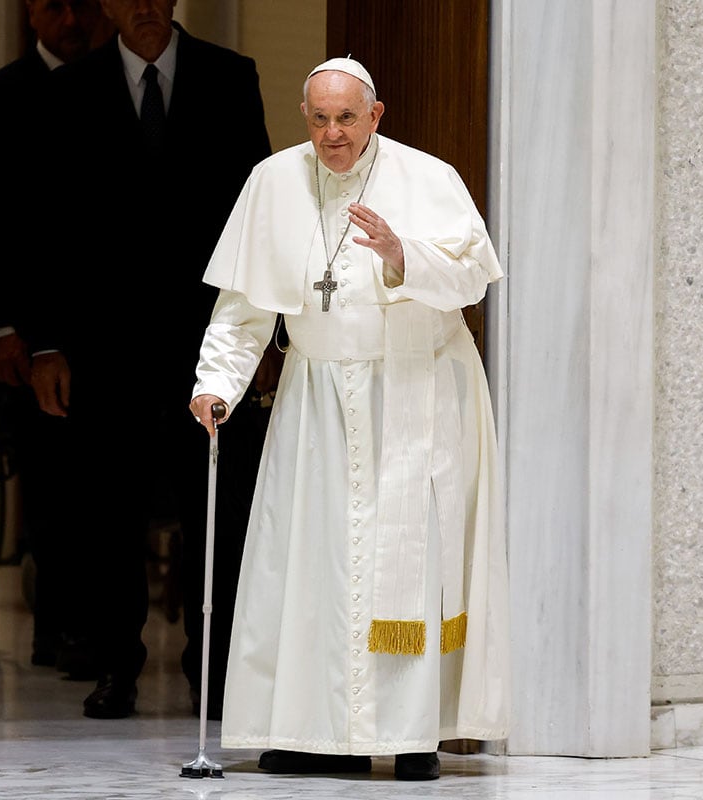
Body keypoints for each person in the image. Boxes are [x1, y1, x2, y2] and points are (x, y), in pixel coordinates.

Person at [188, 57, 510, 782]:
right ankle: (306, 733)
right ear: (306, 117)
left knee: (411, 564)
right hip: (317, 402)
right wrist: (217, 386)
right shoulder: (273, 182)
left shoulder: (430, 179)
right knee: (314, 566)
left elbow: (474, 276)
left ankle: (412, 733)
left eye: (347, 118)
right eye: (319, 119)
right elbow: (243, 307)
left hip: (416, 393)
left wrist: (402, 255)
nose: (333, 134)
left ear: (376, 115)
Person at [25, 0, 273, 720]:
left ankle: (215, 670)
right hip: (106, 347)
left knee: (216, 510)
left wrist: (259, 337)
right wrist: (45, 343)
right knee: (109, 513)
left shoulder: (230, 77)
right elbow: (43, 223)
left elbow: (259, 215)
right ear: (107, 4)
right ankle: (114, 667)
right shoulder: (71, 91)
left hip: (210, 343)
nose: (144, 7)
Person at [0, 0, 115, 676]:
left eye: (83, 5)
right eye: (56, 6)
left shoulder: (117, 83)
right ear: (30, 13)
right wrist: (0, 328)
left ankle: (107, 627)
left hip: (106, 318)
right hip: (27, 325)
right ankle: (59, 627)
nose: (72, 21)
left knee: (106, 481)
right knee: (51, 483)